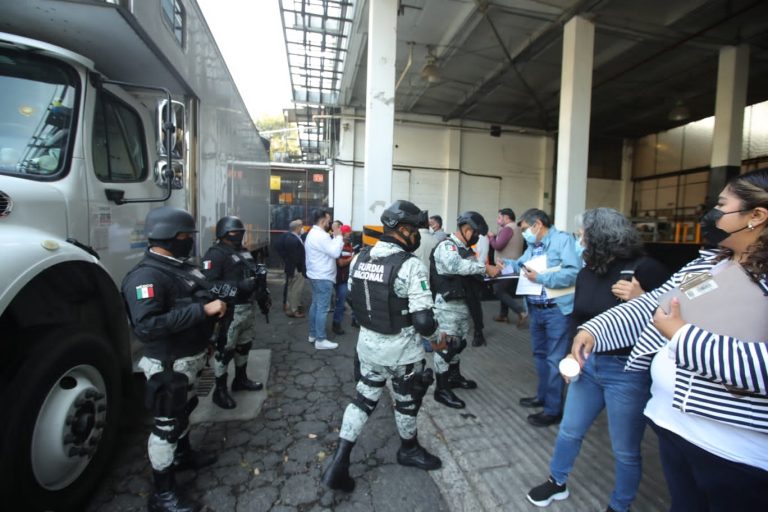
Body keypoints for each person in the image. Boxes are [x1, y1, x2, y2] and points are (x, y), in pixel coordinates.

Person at [572, 169, 768, 512]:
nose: (712, 214)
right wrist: (597, 329)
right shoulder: (710, 263)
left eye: (721, 205)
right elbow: (656, 304)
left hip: (734, 453)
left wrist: (681, 335)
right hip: (674, 428)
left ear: (756, 216)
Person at [526, 208, 669, 511]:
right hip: (588, 365)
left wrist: (643, 297)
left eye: (583, 235)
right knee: (569, 430)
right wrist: (570, 356)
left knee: (625, 450)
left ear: (602, 237)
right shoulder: (587, 272)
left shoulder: (646, 269)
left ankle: (620, 505)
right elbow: (577, 319)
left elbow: (672, 320)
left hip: (628, 372)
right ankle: (556, 481)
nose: (579, 241)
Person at [322, 200, 442, 492]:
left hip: (368, 348)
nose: (417, 236)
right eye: (415, 230)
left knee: (363, 399)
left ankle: (339, 460)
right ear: (402, 230)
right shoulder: (410, 265)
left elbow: (353, 300)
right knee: (407, 401)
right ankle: (409, 449)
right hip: (402, 353)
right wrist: (439, 337)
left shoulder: (361, 258)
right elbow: (424, 321)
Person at [121, 206, 224, 512]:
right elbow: (148, 325)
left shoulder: (180, 267)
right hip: (168, 365)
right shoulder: (147, 275)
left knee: (183, 412)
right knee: (166, 425)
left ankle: (183, 455)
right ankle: (163, 493)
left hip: (188, 359)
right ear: (169, 236)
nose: (189, 241)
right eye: (184, 236)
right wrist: (203, 311)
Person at [503, 208, 580, 426]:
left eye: (526, 229)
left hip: (556, 310)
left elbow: (573, 272)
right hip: (536, 309)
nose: (525, 234)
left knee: (555, 360)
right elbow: (521, 264)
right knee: (540, 355)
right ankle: (543, 396)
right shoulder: (534, 245)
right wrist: (504, 266)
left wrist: (542, 278)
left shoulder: (563, 241)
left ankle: (553, 409)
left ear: (538, 224)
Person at [430, 211, 501, 408]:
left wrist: (493, 271)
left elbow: (472, 268)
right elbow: (456, 266)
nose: (477, 237)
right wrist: (486, 268)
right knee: (446, 346)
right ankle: (441, 389)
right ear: (467, 230)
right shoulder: (447, 246)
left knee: (458, 344)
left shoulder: (464, 249)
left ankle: (454, 377)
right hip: (447, 306)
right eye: (476, 233)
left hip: (461, 305)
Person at [201, 216, 270, 409]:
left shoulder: (244, 252)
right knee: (225, 350)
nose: (238, 235)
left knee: (244, 346)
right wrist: (236, 286)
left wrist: (261, 289)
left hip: (248, 308)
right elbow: (207, 285)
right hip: (229, 310)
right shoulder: (215, 254)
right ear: (223, 234)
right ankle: (219, 390)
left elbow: (253, 273)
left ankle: (240, 379)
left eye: (240, 232)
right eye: (233, 232)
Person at [305, 208, 343, 350]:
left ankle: (313, 334)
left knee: (315, 305)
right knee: (322, 308)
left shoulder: (313, 234)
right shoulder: (321, 236)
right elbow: (335, 252)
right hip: (323, 277)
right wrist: (338, 236)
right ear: (322, 221)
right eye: (328, 220)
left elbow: (328, 249)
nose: (330, 222)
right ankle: (320, 339)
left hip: (315, 276)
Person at [489, 208, 528, 328]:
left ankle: (520, 311)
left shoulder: (507, 229)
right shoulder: (516, 228)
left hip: (506, 265)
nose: (497, 220)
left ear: (506, 218)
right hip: (515, 264)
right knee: (503, 289)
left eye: (499, 217)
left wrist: (491, 237)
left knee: (498, 289)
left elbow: (498, 245)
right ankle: (503, 314)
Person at [412, 223, 439, 352]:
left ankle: (419, 341)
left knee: (417, 311)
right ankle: (429, 342)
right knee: (430, 311)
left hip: (417, 282)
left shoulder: (413, 239)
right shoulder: (435, 240)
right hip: (432, 281)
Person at [278, 219, 306, 318]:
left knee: (291, 288)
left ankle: (290, 308)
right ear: (298, 227)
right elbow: (297, 257)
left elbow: (279, 247)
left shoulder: (288, 237)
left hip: (291, 267)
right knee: (296, 289)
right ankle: (294, 310)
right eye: (301, 226)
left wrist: (286, 260)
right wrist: (300, 268)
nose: (302, 228)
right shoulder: (293, 239)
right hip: (296, 269)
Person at [332, 224, 354, 334]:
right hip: (339, 278)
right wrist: (353, 258)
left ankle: (355, 320)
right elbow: (340, 263)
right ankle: (336, 324)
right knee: (340, 302)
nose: (349, 237)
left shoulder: (350, 244)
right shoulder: (338, 245)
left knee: (349, 300)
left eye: (350, 235)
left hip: (346, 278)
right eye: (347, 235)